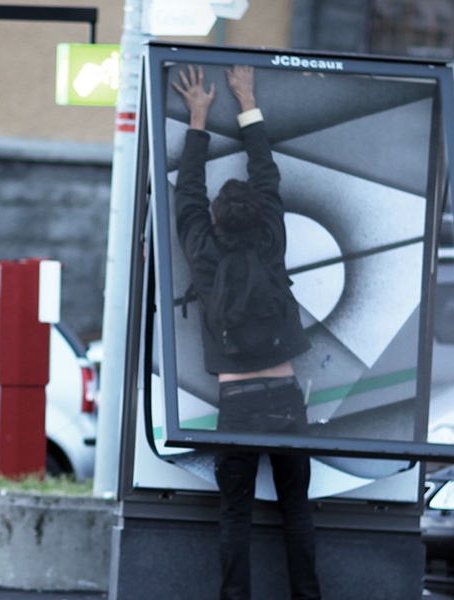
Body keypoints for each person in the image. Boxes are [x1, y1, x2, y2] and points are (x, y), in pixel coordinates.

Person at [172, 64, 321, 600]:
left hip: (235, 403)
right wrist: (247, 98)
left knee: (235, 516)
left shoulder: (201, 252)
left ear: (213, 220)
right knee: (296, 511)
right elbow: (268, 172)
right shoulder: (271, 241)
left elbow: (187, 190)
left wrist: (197, 115)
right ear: (261, 217)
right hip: (285, 400)